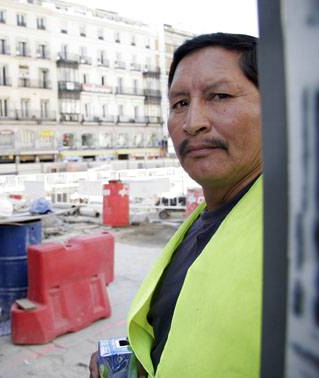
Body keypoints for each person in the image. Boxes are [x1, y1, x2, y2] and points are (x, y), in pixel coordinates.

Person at [90, 32, 262, 377]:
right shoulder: (204, 218)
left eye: (220, 96)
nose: (192, 122)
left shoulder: (307, 237)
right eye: (180, 103)